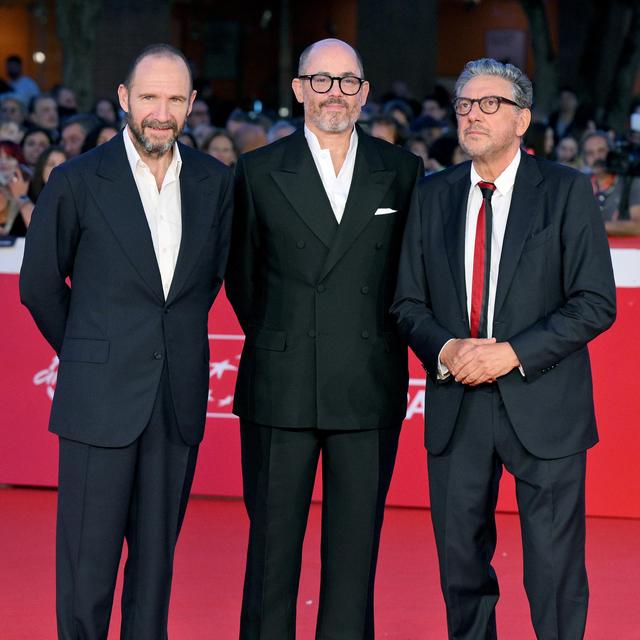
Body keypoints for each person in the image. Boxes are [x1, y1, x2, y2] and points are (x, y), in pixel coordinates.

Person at [392, 58, 616, 639]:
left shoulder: (566, 190)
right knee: (460, 563)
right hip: (457, 402)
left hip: (543, 400)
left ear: (522, 120)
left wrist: (510, 352)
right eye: (466, 103)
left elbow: (594, 302)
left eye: (490, 103)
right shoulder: (431, 195)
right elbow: (406, 304)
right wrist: (447, 350)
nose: (473, 113)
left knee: (553, 567)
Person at [19, 43, 233, 639]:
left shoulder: (217, 184)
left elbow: (208, 279)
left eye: (173, 99)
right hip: (98, 404)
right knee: (86, 574)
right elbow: (39, 285)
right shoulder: (78, 179)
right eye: (148, 97)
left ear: (191, 104)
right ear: (123, 99)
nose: (159, 112)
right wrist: (91, 354)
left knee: (155, 574)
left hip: (176, 403)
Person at [226, 38, 421, 639]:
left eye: (346, 81)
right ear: (298, 89)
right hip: (279, 386)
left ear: (363, 92)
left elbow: (409, 279)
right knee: (271, 555)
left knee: (354, 553)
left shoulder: (402, 171)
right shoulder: (257, 172)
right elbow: (242, 280)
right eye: (320, 80)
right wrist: (284, 339)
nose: (333, 92)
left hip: (367, 384)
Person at [580, 130, 640, 235]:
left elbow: (638, 226)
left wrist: (591, 226)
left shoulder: (631, 181)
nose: (597, 157)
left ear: (612, 152)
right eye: (590, 153)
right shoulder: (580, 185)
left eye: (601, 150)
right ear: (584, 158)